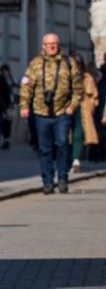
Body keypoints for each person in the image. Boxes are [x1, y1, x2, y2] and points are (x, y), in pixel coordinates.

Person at [19, 34, 83, 194]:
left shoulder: (68, 63)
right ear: (43, 45)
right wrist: (24, 106)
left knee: (62, 144)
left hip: (62, 111)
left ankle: (62, 178)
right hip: (41, 112)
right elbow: (26, 87)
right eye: (49, 44)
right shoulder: (36, 64)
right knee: (44, 148)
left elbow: (78, 88)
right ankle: (47, 181)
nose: (52, 47)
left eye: (54, 44)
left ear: (59, 44)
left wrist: (72, 107)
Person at [69, 54, 100, 174]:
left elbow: (94, 96)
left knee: (78, 134)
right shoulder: (66, 76)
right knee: (65, 135)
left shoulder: (87, 78)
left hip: (82, 109)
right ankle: (68, 159)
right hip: (68, 108)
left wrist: (90, 107)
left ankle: (76, 160)